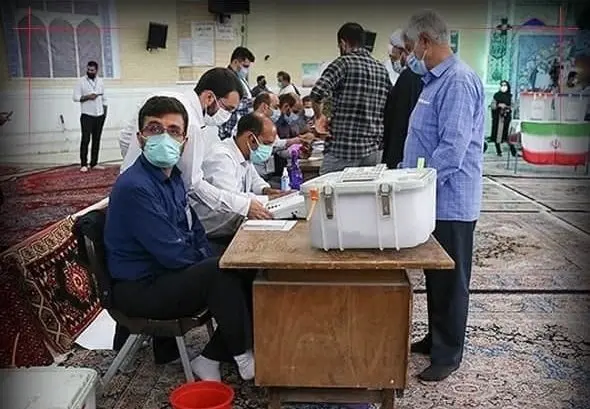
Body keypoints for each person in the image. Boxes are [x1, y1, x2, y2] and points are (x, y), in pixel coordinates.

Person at [105, 96, 254, 382]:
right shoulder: (135, 187)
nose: (164, 137)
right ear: (140, 137)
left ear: (184, 141)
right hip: (140, 288)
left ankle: (212, 358)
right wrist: (213, 263)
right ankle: (240, 352)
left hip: (163, 273)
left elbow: (193, 229)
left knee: (243, 266)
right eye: (154, 129)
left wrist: (212, 257)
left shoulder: (173, 178)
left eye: (173, 131)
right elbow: (172, 252)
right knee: (221, 272)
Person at [400, 9, 485, 382]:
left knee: (452, 280)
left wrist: (415, 187)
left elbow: (452, 149)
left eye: (410, 46)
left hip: (451, 200)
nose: (409, 54)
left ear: (425, 41)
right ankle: (436, 338)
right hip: (432, 197)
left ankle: (449, 353)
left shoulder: (458, 82)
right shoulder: (434, 82)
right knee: (435, 274)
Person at [119, 68, 266, 228]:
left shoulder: (161, 97)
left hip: (130, 186)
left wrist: (138, 166)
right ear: (209, 97)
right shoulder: (192, 124)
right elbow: (193, 184)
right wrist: (242, 206)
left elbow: (125, 138)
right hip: (154, 202)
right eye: (228, 109)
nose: (228, 116)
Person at [310, 22, 390, 175]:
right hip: (373, 151)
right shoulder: (382, 69)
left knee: (325, 187)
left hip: (343, 149)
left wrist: (319, 117)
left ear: (343, 43)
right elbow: (389, 104)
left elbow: (317, 93)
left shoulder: (343, 63)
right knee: (365, 190)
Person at [198, 113, 290, 246]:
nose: (269, 150)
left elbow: (255, 179)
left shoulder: (245, 154)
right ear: (251, 139)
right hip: (215, 235)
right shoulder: (220, 157)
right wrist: (270, 199)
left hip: (234, 226)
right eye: (267, 144)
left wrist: (266, 190)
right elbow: (232, 198)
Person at [381, 29, 424, 169]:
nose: (395, 62)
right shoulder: (422, 77)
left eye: (394, 58)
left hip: (400, 152)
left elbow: (396, 121)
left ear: (405, 51)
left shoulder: (409, 78)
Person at [73, 61, 107, 172]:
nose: (90, 72)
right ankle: (83, 164)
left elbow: (104, 99)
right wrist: (88, 97)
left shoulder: (100, 81)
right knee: (86, 139)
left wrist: (104, 114)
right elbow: (75, 97)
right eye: (88, 69)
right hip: (87, 115)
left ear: (96, 70)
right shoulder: (81, 81)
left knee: (96, 140)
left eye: (92, 70)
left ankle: (94, 163)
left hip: (99, 115)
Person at [219, 47, 256, 140]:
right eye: (245, 66)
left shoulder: (241, 79)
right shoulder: (226, 78)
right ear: (235, 62)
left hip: (241, 126)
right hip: (230, 130)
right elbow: (229, 104)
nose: (246, 70)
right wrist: (253, 102)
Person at [490, 80, 516, 157]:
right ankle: (498, 151)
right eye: (502, 85)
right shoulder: (496, 95)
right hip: (498, 118)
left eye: (505, 85)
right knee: (497, 135)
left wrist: (506, 106)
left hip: (506, 118)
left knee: (507, 134)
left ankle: (513, 151)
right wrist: (498, 105)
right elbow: (493, 106)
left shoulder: (510, 96)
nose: (503, 87)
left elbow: (513, 106)